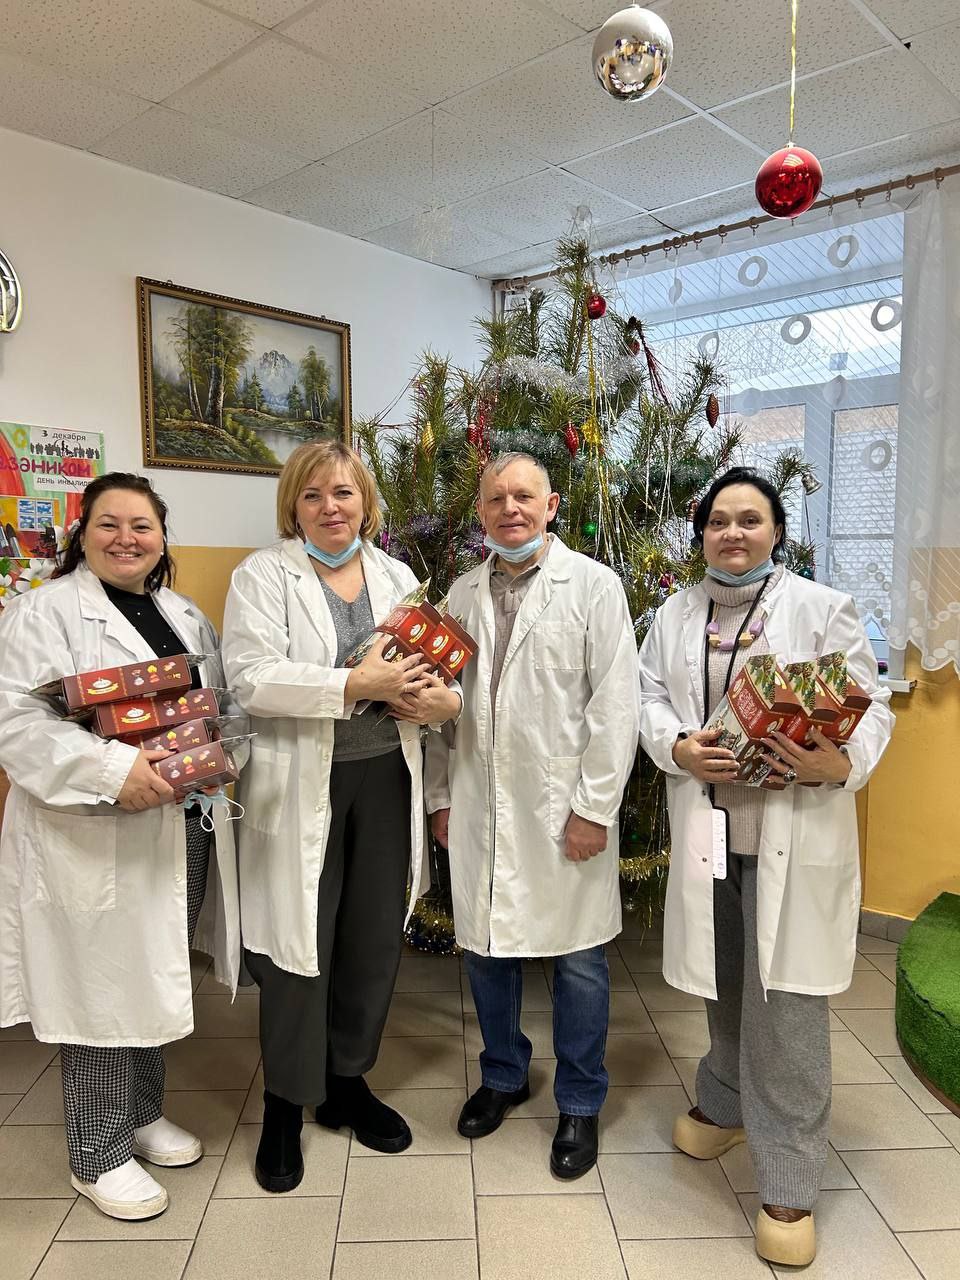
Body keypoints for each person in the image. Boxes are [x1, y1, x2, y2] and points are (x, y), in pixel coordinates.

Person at [637, 466, 895, 1267]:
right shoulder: (675, 614)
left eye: (750, 519)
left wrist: (838, 765)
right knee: (722, 984)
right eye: (719, 521)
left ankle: (789, 1175)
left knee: (785, 1008)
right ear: (701, 534)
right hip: (709, 833)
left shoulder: (821, 608)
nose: (733, 533)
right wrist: (676, 747)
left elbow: (872, 706)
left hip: (792, 834)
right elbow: (647, 697)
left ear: (777, 531)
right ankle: (724, 1102)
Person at [0, 472, 242, 1222]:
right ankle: (96, 1152)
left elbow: (215, 705)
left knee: (153, 968)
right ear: (83, 533)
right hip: (91, 831)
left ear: (162, 537)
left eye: (142, 526)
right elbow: (17, 725)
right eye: (109, 524)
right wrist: (112, 771)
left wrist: (224, 750)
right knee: (100, 986)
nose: (126, 539)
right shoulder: (42, 613)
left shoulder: (184, 615)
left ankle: (139, 1113)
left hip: (181, 824)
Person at [222, 439, 460, 1193]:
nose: (331, 507)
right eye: (314, 494)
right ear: (293, 505)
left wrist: (439, 699)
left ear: (366, 503)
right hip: (303, 781)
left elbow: (436, 667)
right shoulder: (264, 576)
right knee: (301, 945)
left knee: (371, 937)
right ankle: (285, 1104)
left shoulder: (397, 577)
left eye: (345, 493)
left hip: (387, 774)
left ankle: (347, 1083)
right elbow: (250, 678)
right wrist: (353, 684)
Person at [423, 452, 640, 1179]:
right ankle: (503, 1075)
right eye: (496, 498)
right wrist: (442, 797)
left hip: (563, 811)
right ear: (481, 511)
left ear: (551, 507)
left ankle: (579, 1100)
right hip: (479, 803)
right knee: (487, 952)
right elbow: (437, 706)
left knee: (579, 963)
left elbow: (616, 708)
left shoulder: (594, 586)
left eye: (524, 496)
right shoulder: (461, 593)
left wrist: (594, 809)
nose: (509, 508)